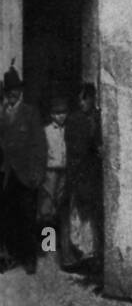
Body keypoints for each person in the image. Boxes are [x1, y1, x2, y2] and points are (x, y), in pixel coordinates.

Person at [0, 65, 47, 275]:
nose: (12, 95)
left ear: (20, 91)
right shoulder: (2, 113)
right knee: (9, 216)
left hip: (26, 175)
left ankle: (30, 259)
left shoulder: (30, 112)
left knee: (28, 217)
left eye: (15, 91)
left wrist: (37, 173)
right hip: (8, 175)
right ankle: (12, 256)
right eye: (8, 91)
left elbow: (39, 145)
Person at [64, 82, 102, 271]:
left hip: (93, 173)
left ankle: (93, 254)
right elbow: (74, 148)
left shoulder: (98, 117)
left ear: (92, 98)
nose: (81, 103)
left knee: (91, 216)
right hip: (79, 172)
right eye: (79, 99)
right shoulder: (74, 120)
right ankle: (79, 254)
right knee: (77, 214)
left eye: (84, 99)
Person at [39, 95, 71, 267]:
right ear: (52, 115)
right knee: (47, 210)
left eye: (63, 113)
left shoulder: (69, 129)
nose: (61, 116)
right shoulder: (46, 131)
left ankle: (64, 250)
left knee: (63, 209)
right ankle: (48, 246)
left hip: (64, 171)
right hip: (50, 172)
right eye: (57, 113)